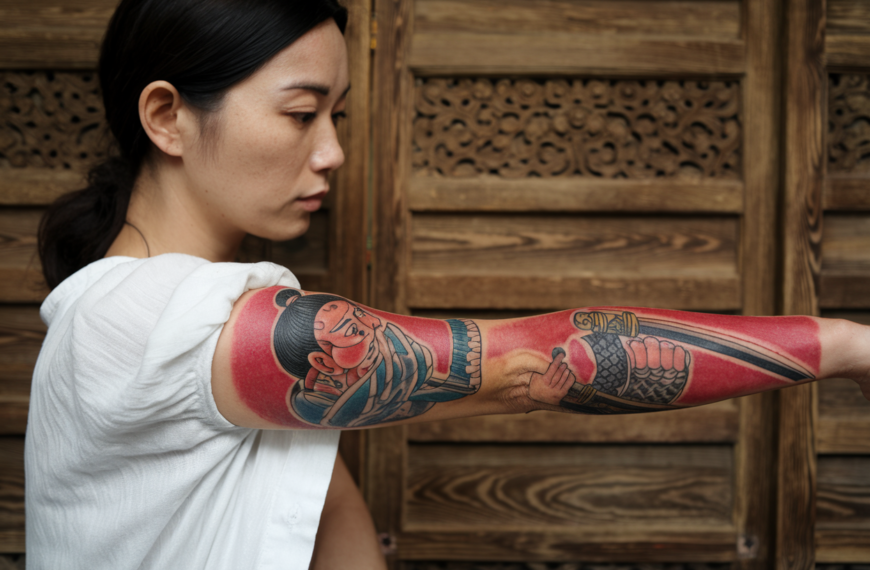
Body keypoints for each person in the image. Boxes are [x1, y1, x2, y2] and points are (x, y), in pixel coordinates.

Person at [25, 0, 870, 568]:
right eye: (299, 112)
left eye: (337, 116)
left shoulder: (238, 368)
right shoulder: (143, 317)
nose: (332, 152)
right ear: (167, 115)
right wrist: (842, 344)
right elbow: (533, 366)